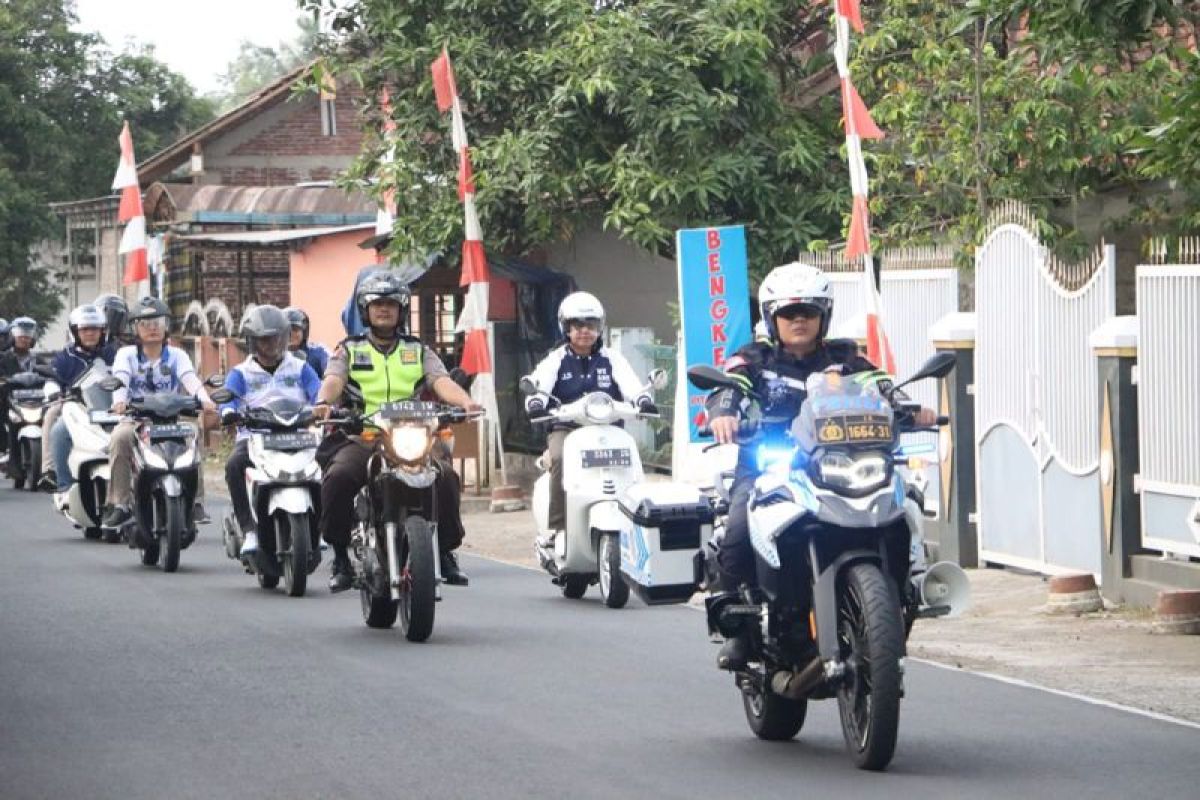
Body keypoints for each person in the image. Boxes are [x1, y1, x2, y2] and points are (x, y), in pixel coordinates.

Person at [703, 261, 937, 670]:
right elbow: (730, 387)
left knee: (902, 508)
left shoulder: (846, 357)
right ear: (772, 318)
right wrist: (724, 413)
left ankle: (900, 597)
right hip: (771, 464)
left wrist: (909, 409)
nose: (799, 321)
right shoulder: (753, 358)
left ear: (822, 317)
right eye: (789, 313)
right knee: (738, 529)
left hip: (842, 459)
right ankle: (740, 633)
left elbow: (879, 386)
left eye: (808, 312)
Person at [312, 271, 481, 591]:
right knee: (338, 478)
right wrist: (323, 401)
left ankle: (444, 551)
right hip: (365, 434)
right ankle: (340, 556)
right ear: (365, 310)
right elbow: (334, 379)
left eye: (391, 303)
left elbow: (440, 380)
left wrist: (466, 402)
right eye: (377, 304)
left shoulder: (418, 350)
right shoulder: (349, 349)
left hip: (413, 434)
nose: (384, 309)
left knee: (445, 476)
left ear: (402, 309)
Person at [523, 291, 656, 548]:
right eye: (577, 325)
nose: (584, 331)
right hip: (567, 427)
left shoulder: (612, 358)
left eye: (591, 325)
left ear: (600, 328)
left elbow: (631, 384)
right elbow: (538, 383)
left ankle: (637, 521)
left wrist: (642, 400)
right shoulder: (556, 359)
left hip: (607, 426)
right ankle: (557, 527)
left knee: (630, 460)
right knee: (560, 457)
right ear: (566, 328)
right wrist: (536, 402)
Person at [101, 297, 215, 529]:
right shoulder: (126, 355)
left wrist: (205, 399)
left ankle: (196, 502)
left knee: (193, 433)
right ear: (135, 328)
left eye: (157, 322)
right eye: (145, 323)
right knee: (119, 438)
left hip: (171, 418)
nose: (152, 328)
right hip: (136, 419)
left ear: (166, 327)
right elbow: (120, 379)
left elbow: (189, 379)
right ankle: (120, 504)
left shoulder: (177, 355)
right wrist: (119, 402)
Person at [220, 305, 321, 555]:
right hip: (256, 438)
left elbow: (318, 392)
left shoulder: (300, 367)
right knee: (234, 464)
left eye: (276, 338)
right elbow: (228, 398)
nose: (271, 344)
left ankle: (320, 530)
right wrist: (228, 412)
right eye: (264, 340)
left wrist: (323, 407)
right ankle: (250, 531)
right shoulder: (241, 372)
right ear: (252, 342)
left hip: (299, 435)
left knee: (327, 465)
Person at [41, 304, 117, 493]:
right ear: (75, 332)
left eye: (94, 329)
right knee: (56, 424)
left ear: (103, 331)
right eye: (84, 329)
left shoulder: (113, 354)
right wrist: (54, 392)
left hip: (112, 407)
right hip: (77, 408)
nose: (90, 333)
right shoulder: (64, 357)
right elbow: (52, 379)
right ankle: (57, 478)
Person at [0, 317, 40, 473]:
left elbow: (51, 373)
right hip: (9, 400)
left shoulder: (38, 360)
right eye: (20, 335)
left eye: (27, 336)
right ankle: (7, 454)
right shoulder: (4, 358)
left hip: (34, 401)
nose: (24, 339)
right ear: (12, 336)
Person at [283, 306, 330, 379]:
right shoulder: (273, 355)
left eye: (295, 329)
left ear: (304, 331)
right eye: (286, 329)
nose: (290, 334)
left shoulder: (318, 351)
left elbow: (331, 371)